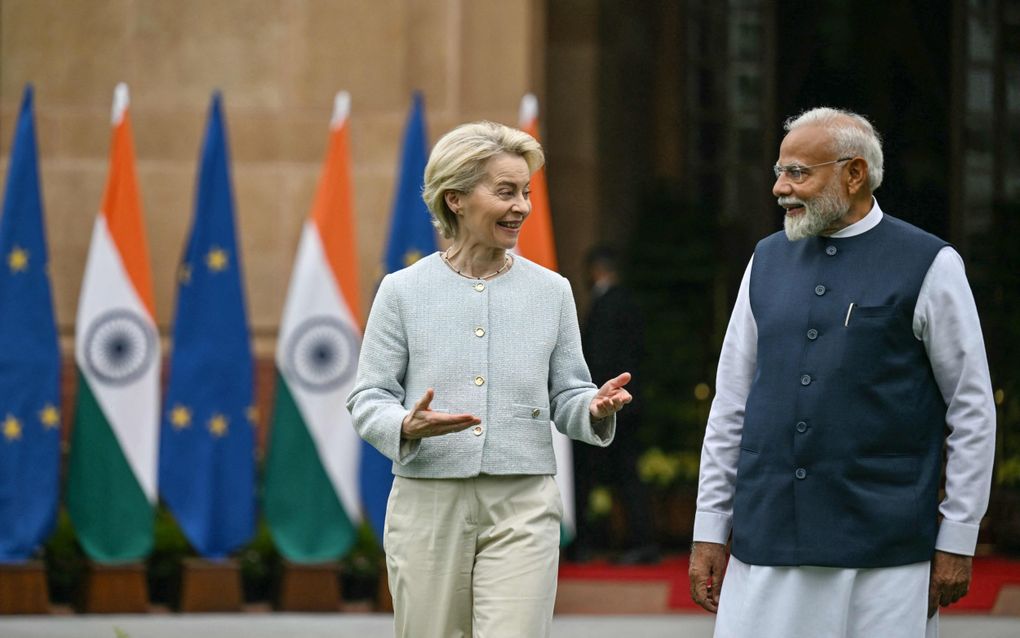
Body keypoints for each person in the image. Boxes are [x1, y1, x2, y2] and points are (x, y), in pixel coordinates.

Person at [688, 107, 996, 638]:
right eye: (779, 172)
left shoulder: (929, 262)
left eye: (798, 173)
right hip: (767, 541)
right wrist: (710, 529)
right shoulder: (764, 259)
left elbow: (972, 409)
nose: (781, 188)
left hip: (884, 548)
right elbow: (731, 403)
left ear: (854, 174)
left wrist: (958, 537)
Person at [347, 120, 632, 637]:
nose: (522, 206)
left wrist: (591, 407)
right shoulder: (402, 291)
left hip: (523, 501)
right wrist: (405, 424)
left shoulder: (553, 291)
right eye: (505, 192)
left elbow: (567, 391)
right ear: (455, 199)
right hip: (428, 501)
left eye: (525, 192)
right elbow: (368, 397)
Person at [571, 244, 659, 564]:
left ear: (596, 270)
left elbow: (601, 356)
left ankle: (632, 542)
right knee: (626, 474)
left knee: (617, 473)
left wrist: (587, 399)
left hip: (612, 404)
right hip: (626, 404)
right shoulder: (626, 301)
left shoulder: (609, 304)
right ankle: (636, 541)